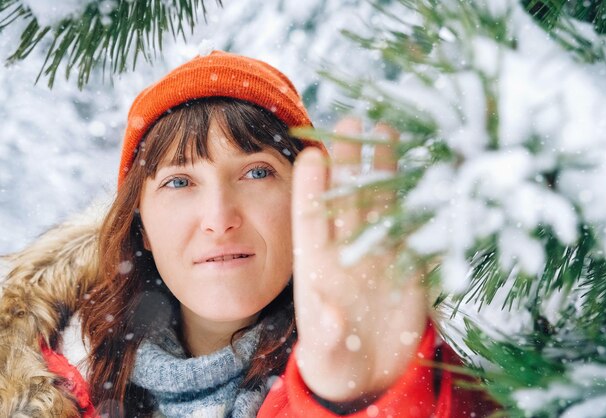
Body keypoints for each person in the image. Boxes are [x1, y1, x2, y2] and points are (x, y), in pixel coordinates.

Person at [0, 51, 495, 417]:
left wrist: (369, 397)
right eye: (179, 181)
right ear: (141, 227)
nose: (219, 217)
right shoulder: (40, 378)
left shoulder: (390, 350)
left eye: (256, 172)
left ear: (306, 199)